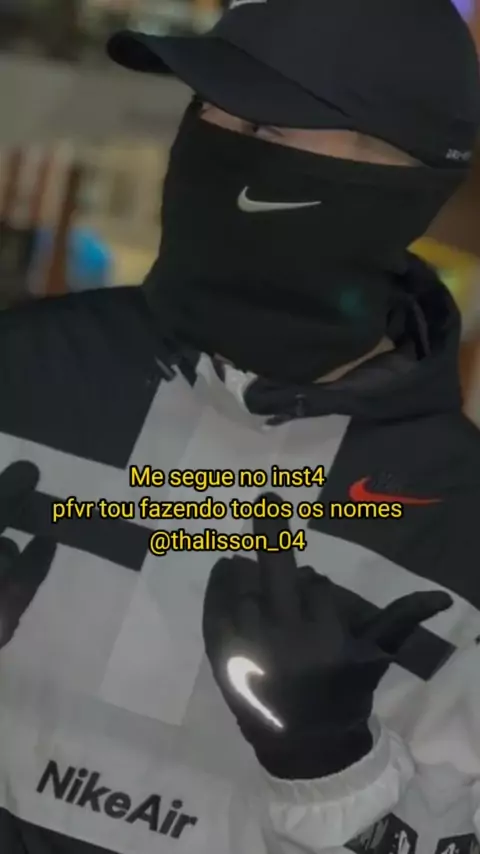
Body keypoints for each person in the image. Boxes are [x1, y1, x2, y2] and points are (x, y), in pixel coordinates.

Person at [0, 0, 480, 852]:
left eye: (264, 126)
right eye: (207, 109)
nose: (215, 145)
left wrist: (332, 766)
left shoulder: (458, 527)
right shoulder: (20, 375)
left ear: (400, 177)